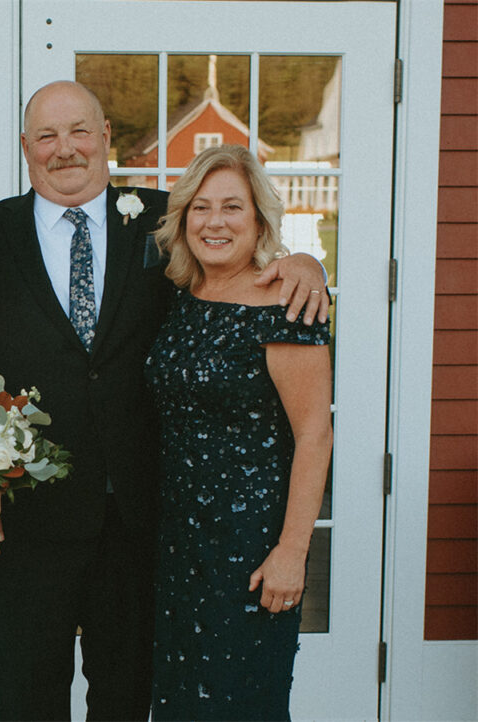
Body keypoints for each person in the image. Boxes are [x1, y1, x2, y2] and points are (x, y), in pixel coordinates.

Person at [0, 80, 330, 721]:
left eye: (79, 132)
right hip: (30, 521)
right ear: (24, 148)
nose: (64, 149)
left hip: (143, 520)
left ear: (105, 138)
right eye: (46, 135)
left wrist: (302, 264)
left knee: (127, 695)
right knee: (25, 697)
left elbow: (236, 249)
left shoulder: (166, 222)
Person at [145, 144, 332, 720]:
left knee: (239, 703)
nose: (215, 222)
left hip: (249, 552)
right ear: (183, 220)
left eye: (232, 207)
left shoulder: (286, 303)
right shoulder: (181, 297)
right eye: (200, 207)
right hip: (177, 550)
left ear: (258, 221)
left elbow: (314, 434)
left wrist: (292, 552)